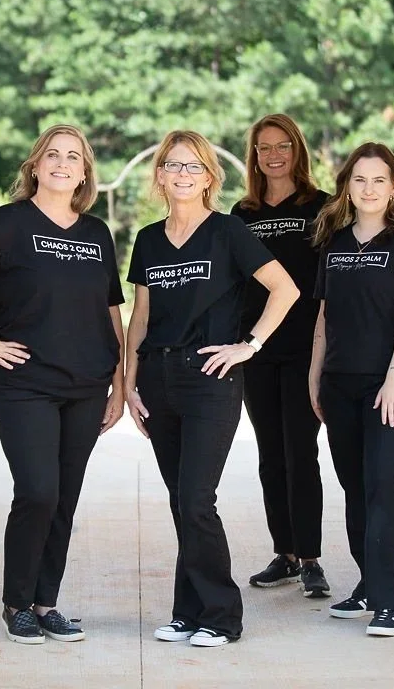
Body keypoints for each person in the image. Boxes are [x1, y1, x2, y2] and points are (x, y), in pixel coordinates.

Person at [0, 124, 125, 645]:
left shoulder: (96, 233)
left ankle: (46, 603)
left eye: (73, 157)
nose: (62, 163)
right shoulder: (9, 222)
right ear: (35, 166)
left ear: (84, 173)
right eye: (53, 155)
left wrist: (119, 380)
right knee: (38, 491)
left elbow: (111, 308)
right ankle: (17, 603)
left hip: (87, 384)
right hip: (25, 383)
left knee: (64, 498)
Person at [126, 130, 300, 648]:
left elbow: (285, 289)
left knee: (197, 498)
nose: (182, 174)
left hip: (210, 380)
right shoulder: (149, 239)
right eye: (173, 165)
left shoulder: (228, 231)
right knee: (181, 501)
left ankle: (222, 616)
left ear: (209, 177)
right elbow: (141, 315)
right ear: (160, 175)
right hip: (158, 378)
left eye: (193, 166)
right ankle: (187, 612)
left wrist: (249, 345)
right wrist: (129, 382)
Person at [309, 142, 394, 638]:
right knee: (355, 488)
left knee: (383, 487)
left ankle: (388, 602)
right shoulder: (335, 243)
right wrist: (315, 378)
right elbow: (323, 318)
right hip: (339, 385)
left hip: (391, 387)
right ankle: (368, 583)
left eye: (379, 179)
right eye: (360, 179)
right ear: (347, 187)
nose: (369, 188)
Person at [232, 114, 331, 598]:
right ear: (254, 156)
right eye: (264, 148)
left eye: (282, 146)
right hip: (255, 348)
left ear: (297, 151)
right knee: (270, 454)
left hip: (304, 349)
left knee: (301, 452)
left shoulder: (321, 206)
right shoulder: (241, 213)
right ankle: (285, 554)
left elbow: (331, 280)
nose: (273, 156)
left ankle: (311, 557)